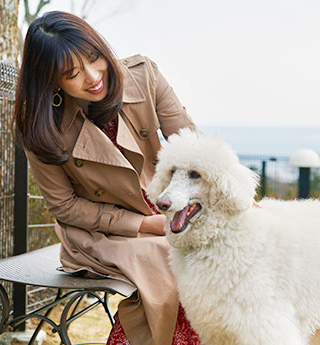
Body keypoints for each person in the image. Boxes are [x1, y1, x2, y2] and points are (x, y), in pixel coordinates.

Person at [13, 11, 199, 345]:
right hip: (103, 233)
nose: (93, 76)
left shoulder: (143, 76)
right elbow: (65, 207)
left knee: (217, 252)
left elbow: (192, 148)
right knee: (172, 264)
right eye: (72, 73)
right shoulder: (41, 126)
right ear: (52, 81)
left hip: (165, 209)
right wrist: (144, 226)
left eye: (94, 58)